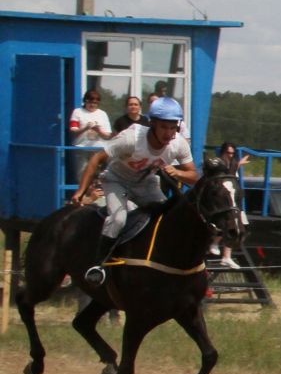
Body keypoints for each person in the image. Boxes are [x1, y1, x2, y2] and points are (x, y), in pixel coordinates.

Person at [70, 95, 198, 287]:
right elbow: (96, 159)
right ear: (153, 124)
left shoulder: (178, 143)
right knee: (119, 218)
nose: (168, 133)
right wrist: (81, 191)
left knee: (168, 216)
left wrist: (177, 172)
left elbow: (194, 175)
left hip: (145, 183)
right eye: (164, 127)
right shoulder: (132, 138)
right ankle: (98, 266)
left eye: (173, 127)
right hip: (116, 180)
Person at [66, 89, 113, 192]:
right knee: (82, 174)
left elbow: (108, 135)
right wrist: (85, 128)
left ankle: (96, 197)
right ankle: (83, 196)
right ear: (85, 101)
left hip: (98, 149)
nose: (93, 105)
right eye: (90, 102)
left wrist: (98, 130)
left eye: (95, 103)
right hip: (81, 148)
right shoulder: (77, 112)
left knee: (97, 175)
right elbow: (73, 130)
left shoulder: (102, 114)